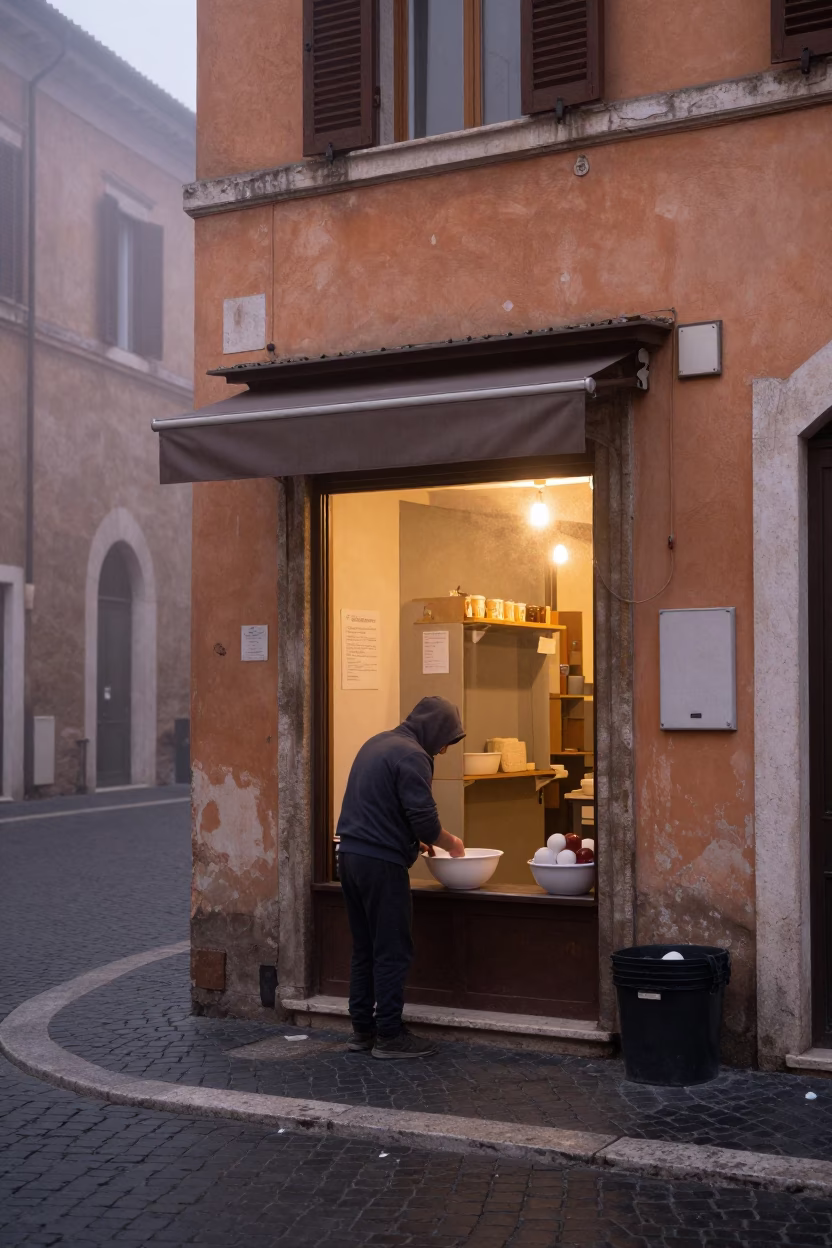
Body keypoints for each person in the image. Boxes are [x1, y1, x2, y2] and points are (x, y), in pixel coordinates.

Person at [336, 696, 466, 1059]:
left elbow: (381, 806)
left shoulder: (377, 743)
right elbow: (424, 819)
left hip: (349, 856)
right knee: (392, 949)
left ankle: (361, 1030)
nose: (442, 749)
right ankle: (390, 1035)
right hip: (381, 864)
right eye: (444, 740)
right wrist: (451, 842)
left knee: (364, 948)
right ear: (433, 731)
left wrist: (412, 840)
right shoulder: (413, 755)